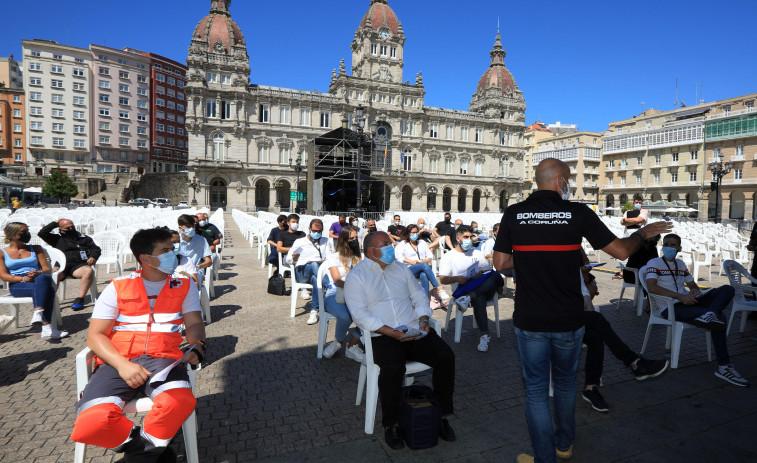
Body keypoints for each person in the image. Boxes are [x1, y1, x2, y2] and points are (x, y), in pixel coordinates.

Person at [493, 158, 672, 463]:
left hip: (530, 318)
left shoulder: (514, 213)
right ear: (561, 182)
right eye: (569, 179)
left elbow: (500, 264)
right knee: (565, 384)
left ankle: (546, 457)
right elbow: (620, 250)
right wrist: (642, 234)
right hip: (568, 318)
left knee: (536, 392)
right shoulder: (576, 213)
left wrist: (530, 258)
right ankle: (565, 444)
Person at [70, 227, 206, 462]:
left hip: (164, 359)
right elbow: (95, 336)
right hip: (117, 361)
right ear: (145, 258)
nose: (173, 255)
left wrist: (198, 344)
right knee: (91, 422)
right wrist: (123, 365)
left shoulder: (184, 285)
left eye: (172, 250)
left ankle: (141, 455)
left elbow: (194, 323)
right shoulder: (118, 286)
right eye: (165, 250)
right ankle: (153, 451)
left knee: (179, 402)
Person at [344, 231, 456, 450]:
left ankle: (441, 416)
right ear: (371, 251)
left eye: (390, 243)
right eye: (385, 244)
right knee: (393, 369)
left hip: (414, 330)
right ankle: (391, 423)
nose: (391, 247)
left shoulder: (401, 270)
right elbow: (360, 315)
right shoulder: (357, 276)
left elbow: (419, 297)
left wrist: (424, 318)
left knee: (446, 357)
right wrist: (390, 332)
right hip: (383, 336)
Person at [646, 233, 748, 387]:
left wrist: (694, 290)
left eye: (672, 245)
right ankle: (724, 366)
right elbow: (651, 287)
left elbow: (692, 285)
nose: (668, 247)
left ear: (679, 248)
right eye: (666, 244)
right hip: (670, 307)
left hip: (687, 301)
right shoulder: (654, 263)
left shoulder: (680, 264)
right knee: (720, 318)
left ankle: (709, 314)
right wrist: (680, 297)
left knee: (727, 289)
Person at [579, 250, 669, 413]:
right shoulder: (549, 268)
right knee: (597, 320)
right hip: (553, 321)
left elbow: (586, 301)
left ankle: (590, 388)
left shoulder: (574, 272)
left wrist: (589, 314)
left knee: (596, 334)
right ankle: (634, 362)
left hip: (576, 321)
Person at [439, 225, 503, 352]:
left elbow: (487, 272)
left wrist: (478, 274)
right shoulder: (449, 256)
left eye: (471, 237)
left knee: (495, 275)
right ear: (458, 238)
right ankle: (484, 336)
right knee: (480, 298)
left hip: (479, 286)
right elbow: (443, 279)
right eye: (466, 237)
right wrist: (456, 278)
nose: (469, 240)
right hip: (463, 289)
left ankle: (468, 298)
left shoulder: (477, 253)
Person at [0, 222, 67, 340]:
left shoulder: (36, 248)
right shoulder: (2, 252)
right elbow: (4, 276)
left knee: (44, 277)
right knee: (49, 290)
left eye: (27, 231)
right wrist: (23, 278)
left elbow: (46, 269)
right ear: (12, 235)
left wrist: (37, 272)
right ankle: (47, 327)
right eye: (23, 233)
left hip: (38, 278)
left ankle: (38, 312)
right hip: (18, 283)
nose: (27, 234)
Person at [321, 226, 365, 362]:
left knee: (370, 312)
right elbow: (337, 281)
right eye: (351, 238)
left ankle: (351, 345)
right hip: (335, 293)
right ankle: (339, 342)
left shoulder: (359, 257)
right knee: (346, 317)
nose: (354, 241)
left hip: (355, 294)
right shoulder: (334, 257)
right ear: (344, 240)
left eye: (355, 238)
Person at [39, 218, 101, 311]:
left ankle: (80, 299)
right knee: (54, 273)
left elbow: (96, 249)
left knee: (88, 271)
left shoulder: (84, 238)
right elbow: (42, 233)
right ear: (61, 230)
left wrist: (93, 257)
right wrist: (56, 223)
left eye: (72, 226)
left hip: (78, 265)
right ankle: (49, 300)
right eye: (67, 228)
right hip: (62, 266)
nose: (71, 229)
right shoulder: (57, 239)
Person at [288, 218, 332, 325]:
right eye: (314, 231)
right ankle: (330, 286)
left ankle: (314, 311)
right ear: (309, 229)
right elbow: (288, 259)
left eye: (319, 231)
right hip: (302, 272)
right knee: (313, 263)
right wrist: (294, 258)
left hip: (317, 273)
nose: (316, 233)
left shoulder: (325, 241)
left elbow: (330, 258)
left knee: (316, 279)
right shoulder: (300, 242)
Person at [394, 224, 450, 303]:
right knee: (424, 266)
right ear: (408, 234)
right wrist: (411, 261)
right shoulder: (403, 244)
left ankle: (425, 301)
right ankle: (438, 288)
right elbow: (398, 257)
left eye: (416, 232)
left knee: (423, 275)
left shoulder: (422, 242)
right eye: (413, 233)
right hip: (408, 269)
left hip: (421, 268)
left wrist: (426, 260)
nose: (415, 234)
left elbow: (430, 255)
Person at [177, 215, 212, 283]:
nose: (192, 229)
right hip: (178, 270)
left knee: (189, 280)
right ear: (180, 228)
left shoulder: (201, 240)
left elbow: (209, 262)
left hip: (196, 270)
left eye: (193, 226)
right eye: (188, 227)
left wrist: (197, 266)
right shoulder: (175, 240)